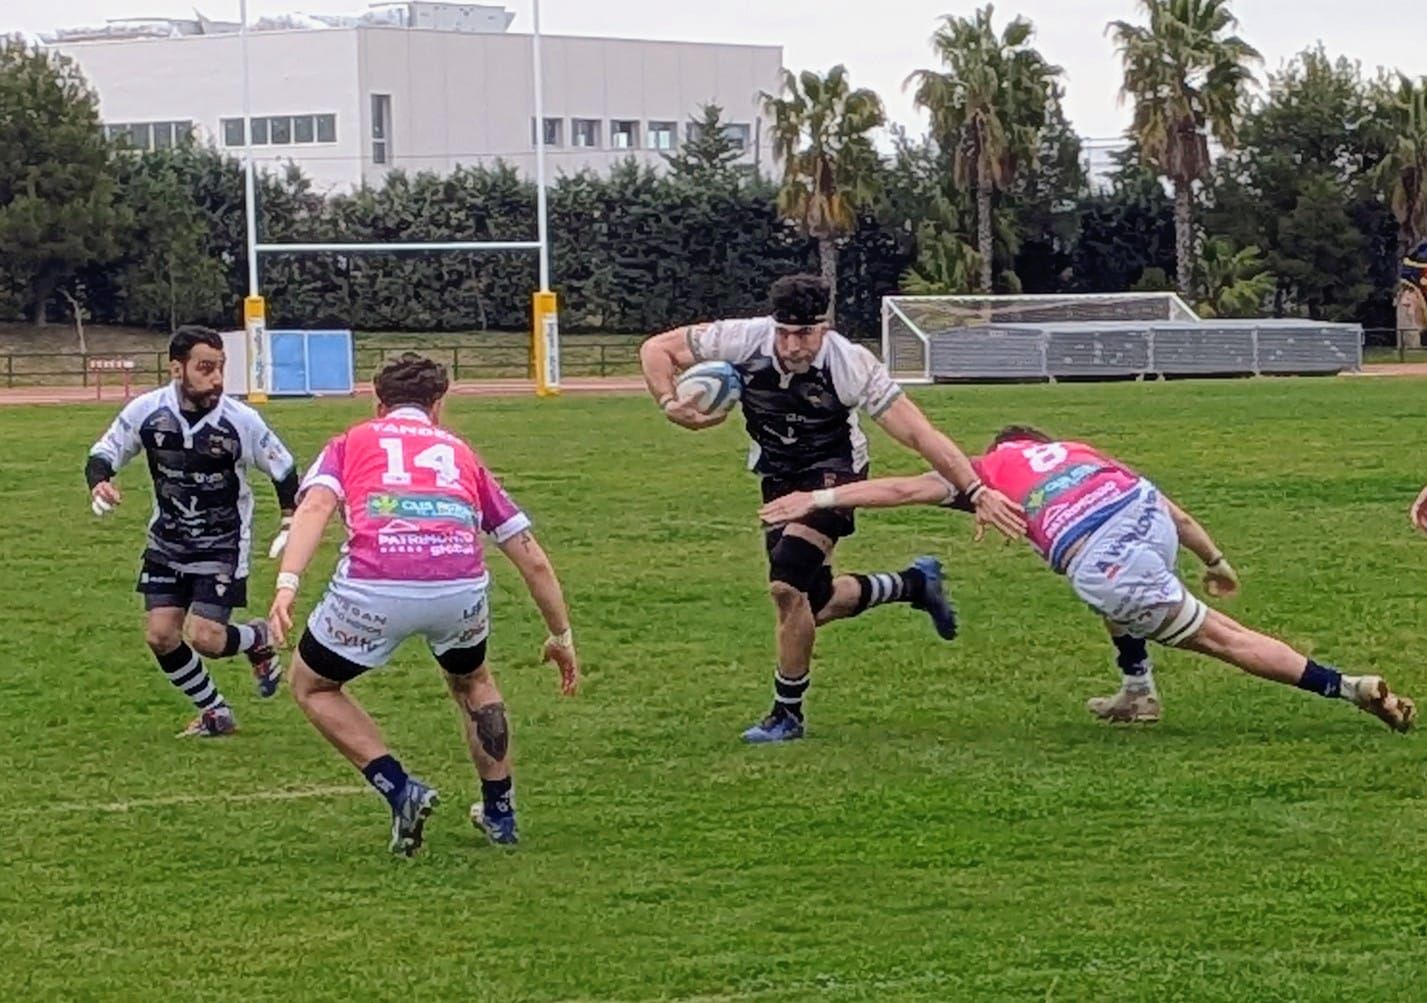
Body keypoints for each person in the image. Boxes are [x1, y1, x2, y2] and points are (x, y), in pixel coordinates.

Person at [760, 425, 1416, 732]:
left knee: (1222, 639)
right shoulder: (1077, 451)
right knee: (1128, 600)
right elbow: (1176, 511)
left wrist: (813, 501)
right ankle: (1138, 692)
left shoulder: (986, 467)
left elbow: (902, 486)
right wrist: (1215, 562)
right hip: (1140, 517)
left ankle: (1349, 686)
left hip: (1102, 554)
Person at [640, 273, 1024, 744]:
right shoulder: (741, 339)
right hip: (778, 477)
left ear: (825, 327)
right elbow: (657, 349)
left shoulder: (851, 364)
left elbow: (919, 435)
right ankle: (912, 583)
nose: (792, 344)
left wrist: (975, 488)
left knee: (786, 584)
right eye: (784, 332)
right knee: (813, 602)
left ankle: (787, 715)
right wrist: (667, 402)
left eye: (804, 333)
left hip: (834, 471)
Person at [267, 353, 579, 857]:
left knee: (313, 684)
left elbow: (317, 506)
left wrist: (287, 583)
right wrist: (560, 635)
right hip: (458, 587)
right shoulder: (460, 453)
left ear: (377, 401)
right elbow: (530, 557)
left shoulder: (351, 442)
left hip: (375, 585)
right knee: (473, 681)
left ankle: (400, 788)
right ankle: (500, 813)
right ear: (438, 405)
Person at [86, 325, 296, 738]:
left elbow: (284, 469)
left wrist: (290, 518)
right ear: (177, 369)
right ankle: (215, 712)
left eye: (220, 369)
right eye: (205, 368)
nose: (217, 379)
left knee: (206, 638)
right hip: (167, 539)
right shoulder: (147, 411)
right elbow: (105, 451)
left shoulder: (240, 421)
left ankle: (256, 637)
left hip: (223, 542)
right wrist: (100, 481)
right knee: (161, 635)